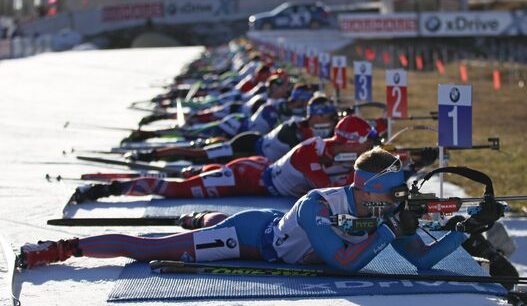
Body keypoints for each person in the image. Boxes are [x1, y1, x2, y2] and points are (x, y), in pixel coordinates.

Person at [19, 148, 497, 272]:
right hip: (252, 239)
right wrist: (390, 232)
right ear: (369, 186)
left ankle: (199, 218)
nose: (400, 201)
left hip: (278, 232)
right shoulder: (317, 204)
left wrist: (464, 230)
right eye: (394, 192)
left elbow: (421, 262)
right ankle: (62, 248)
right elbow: (341, 261)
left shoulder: (384, 210)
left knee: (196, 225)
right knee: (146, 249)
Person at [69, 115, 375, 203]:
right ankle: (107, 189)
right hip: (246, 177)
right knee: (178, 189)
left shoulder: (338, 150)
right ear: (352, 141)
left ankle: (197, 169)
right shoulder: (312, 150)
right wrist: (357, 175)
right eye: (365, 143)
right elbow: (327, 192)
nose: (368, 148)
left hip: (259, 172)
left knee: (199, 171)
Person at [130, 95, 338, 164]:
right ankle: (149, 154)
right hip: (245, 144)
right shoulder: (294, 125)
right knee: (198, 153)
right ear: (317, 115)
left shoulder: (302, 121)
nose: (331, 121)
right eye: (328, 116)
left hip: (253, 147)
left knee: (199, 149)